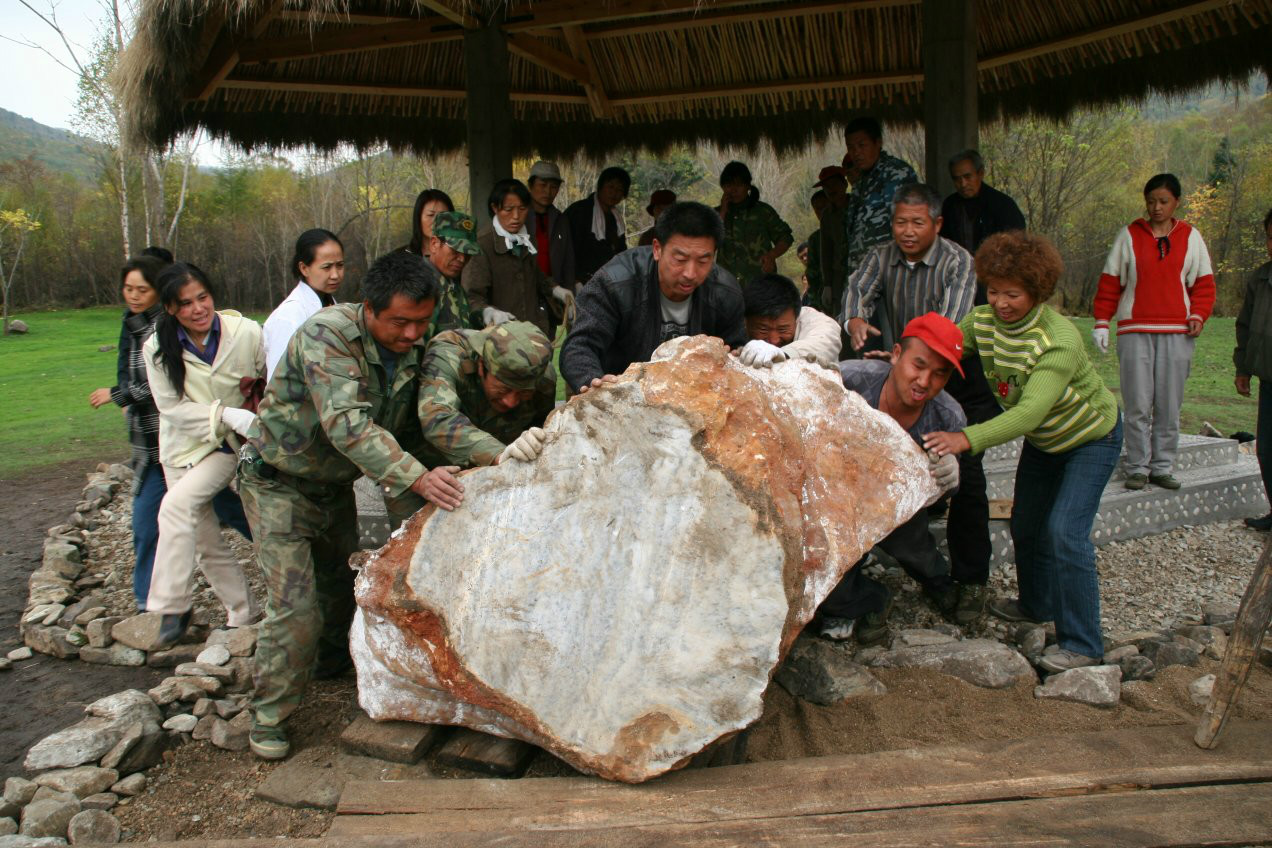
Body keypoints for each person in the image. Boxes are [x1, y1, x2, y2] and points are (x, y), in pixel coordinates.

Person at [238, 250, 448, 761]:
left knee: (337, 592)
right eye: (399, 321)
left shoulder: (415, 347)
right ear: (369, 308)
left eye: (421, 322)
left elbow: (417, 423)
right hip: (277, 483)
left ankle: (328, 666)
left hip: (333, 488)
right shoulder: (326, 334)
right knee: (295, 608)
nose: (411, 334)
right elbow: (347, 426)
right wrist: (418, 479)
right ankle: (269, 715)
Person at [924, 231, 1122, 673]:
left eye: (1013, 294)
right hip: (1045, 445)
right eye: (993, 290)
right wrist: (908, 358)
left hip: (1091, 439)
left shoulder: (1059, 340)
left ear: (1037, 292)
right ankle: (1036, 606)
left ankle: (1084, 643)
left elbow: (1029, 413)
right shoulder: (983, 321)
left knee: (1065, 532)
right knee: (1028, 525)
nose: (1001, 302)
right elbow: (945, 344)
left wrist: (966, 438)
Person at [839, 182, 995, 620]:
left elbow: (948, 327)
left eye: (917, 223)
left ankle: (968, 581)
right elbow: (857, 292)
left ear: (937, 223)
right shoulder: (880, 255)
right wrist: (856, 320)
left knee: (966, 475)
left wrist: (920, 364)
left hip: (953, 369)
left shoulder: (958, 261)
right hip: (901, 362)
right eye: (900, 222)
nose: (907, 231)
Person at [817, 314, 964, 644]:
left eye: (939, 374)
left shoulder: (947, 416)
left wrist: (949, 478)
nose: (925, 381)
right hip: (838, 493)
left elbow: (939, 496)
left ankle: (940, 584)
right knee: (832, 563)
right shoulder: (851, 379)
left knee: (916, 550)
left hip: (897, 501)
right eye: (919, 365)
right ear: (896, 354)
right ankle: (863, 598)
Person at [142, 262, 262, 648]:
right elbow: (171, 408)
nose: (198, 308)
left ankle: (170, 606)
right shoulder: (158, 348)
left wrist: (250, 421)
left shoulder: (245, 332)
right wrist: (226, 413)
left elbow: (268, 378)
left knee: (174, 507)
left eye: (203, 297)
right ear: (171, 309)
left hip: (228, 446)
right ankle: (241, 613)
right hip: (182, 449)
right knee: (204, 540)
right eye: (186, 303)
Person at [1093, 173, 1215, 491]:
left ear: (1176, 202)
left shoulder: (1191, 236)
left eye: (1163, 201)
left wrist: (1199, 315)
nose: (1156, 207)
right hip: (1135, 329)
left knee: (1168, 403)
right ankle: (1137, 466)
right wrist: (1102, 321)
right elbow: (1110, 282)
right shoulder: (1129, 235)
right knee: (1137, 402)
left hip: (1177, 331)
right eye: (1151, 201)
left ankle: (1162, 466)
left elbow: (1203, 284)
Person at [560, 201, 748, 394]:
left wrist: (739, 354)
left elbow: (736, 350)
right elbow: (580, 345)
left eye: (703, 261)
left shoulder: (725, 292)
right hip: (622, 396)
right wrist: (592, 379)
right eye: (680, 259)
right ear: (657, 249)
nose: (690, 273)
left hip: (694, 399)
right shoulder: (615, 283)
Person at [88, 256, 168, 610]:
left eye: (142, 290)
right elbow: (132, 374)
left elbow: (161, 385)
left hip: (169, 442)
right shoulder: (133, 322)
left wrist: (117, 394)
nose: (133, 296)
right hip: (148, 443)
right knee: (220, 509)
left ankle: (146, 599)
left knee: (146, 518)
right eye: (128, 289)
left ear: (158, 290)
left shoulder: (164, 327)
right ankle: (146, 599)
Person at [410, 322, 558, 510]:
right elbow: (438, 420)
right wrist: (498, 453)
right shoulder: (449, 354)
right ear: (481, 366)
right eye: (503, 389)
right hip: (426, 467)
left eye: (523, 393)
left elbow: (540, 434)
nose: (510, 402)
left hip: (497, 472)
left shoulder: (543, 380)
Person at [463, 178, 573, 337]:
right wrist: (488, 313)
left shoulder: (527, 238)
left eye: (522, 208)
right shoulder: (482, 245)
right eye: (508, 209)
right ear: (495, 208)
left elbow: (536, 275)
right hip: (499, 337)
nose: (516, 216)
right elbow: (472, 296)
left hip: (532, 330)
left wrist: (556, 290)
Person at [840, 117, 919, 300]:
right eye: (851, 147)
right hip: (862, 279)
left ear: (878, 143)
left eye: (862, 145)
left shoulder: (896, 173)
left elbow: (910, 227)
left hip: (892, 277)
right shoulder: (861, 183)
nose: (856, 153)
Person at [1233, 208, 1272, 530]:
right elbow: (1245, 325)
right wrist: (1243, 367)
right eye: (1271, 238)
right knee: (1267, 450)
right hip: (1268, 379)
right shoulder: (1260, 278)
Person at [263, 229, 344, 380]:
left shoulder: (334, 307)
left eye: (339, 265)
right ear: (304, 268)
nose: (335, 275)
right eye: (327, 267)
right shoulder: (289, 317)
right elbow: (278, 382)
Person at [736, 273, 841, 370]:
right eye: (763, 329)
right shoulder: (733, 324)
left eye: (783, 329)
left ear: (796, 317)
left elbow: (827, 339)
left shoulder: (813, 320)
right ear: (746, 322)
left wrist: (783, 354)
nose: (774, 340)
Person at [715, 161, 793, 287]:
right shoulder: (716, 214)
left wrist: (771, 255)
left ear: (748, 186)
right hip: (727, 286)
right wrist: (723, 212)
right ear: (723, 187)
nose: (733, 190)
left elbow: (785, 236)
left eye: (739, 185)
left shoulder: (762, 211)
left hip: (761, 283)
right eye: (729, 185)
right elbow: (706, 243)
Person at [940, 150, 1026, 256]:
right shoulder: (950, 206)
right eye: (957, 179)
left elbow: (1017, 242)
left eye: (967, 177)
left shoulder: (1002, 204)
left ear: (980, 173)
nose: (963, 184)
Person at [565, 166, 631, 285]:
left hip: (606, 282)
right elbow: (567, 249)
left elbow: (621, 252)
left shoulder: (616, 219)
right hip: (578, 281)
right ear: (600, 187)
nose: (614, 193)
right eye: (610, 187)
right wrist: (575, 279)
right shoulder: (579, 211)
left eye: (619, 190)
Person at [423, 211, 482, 335]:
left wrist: (483, 315)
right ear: (434, 244)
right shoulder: (420, 287)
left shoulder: (454, 285)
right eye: (455, 250)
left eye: (467, 253)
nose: (462, 259)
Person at [525, 161, 576, 287]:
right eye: (542, 185)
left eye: (553, 187)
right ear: (531, 185)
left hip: (554, 291)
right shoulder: (519, 217)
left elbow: (568, 261)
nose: (547, 192)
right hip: (525, 291)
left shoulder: (561, 219)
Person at [813, 166, 850, 312]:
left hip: (862, 272)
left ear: (844, 184)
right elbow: (826, 251)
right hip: (838, 277)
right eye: (826, 187)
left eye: (834, 184)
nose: (831, 189)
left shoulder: (857, 206)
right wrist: (827, 284)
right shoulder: (827, 216)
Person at [401, 188, 455, 255]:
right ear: (418, 218)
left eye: (443, 216)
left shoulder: (460, 256)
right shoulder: (403, 257)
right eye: (431, 215)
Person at [804, 189, 831, 309]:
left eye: (824, 207)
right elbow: (812, 274)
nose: (822, 212)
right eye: (817, 209)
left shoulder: (849, 229)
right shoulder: (815, 239)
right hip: (825, 299)